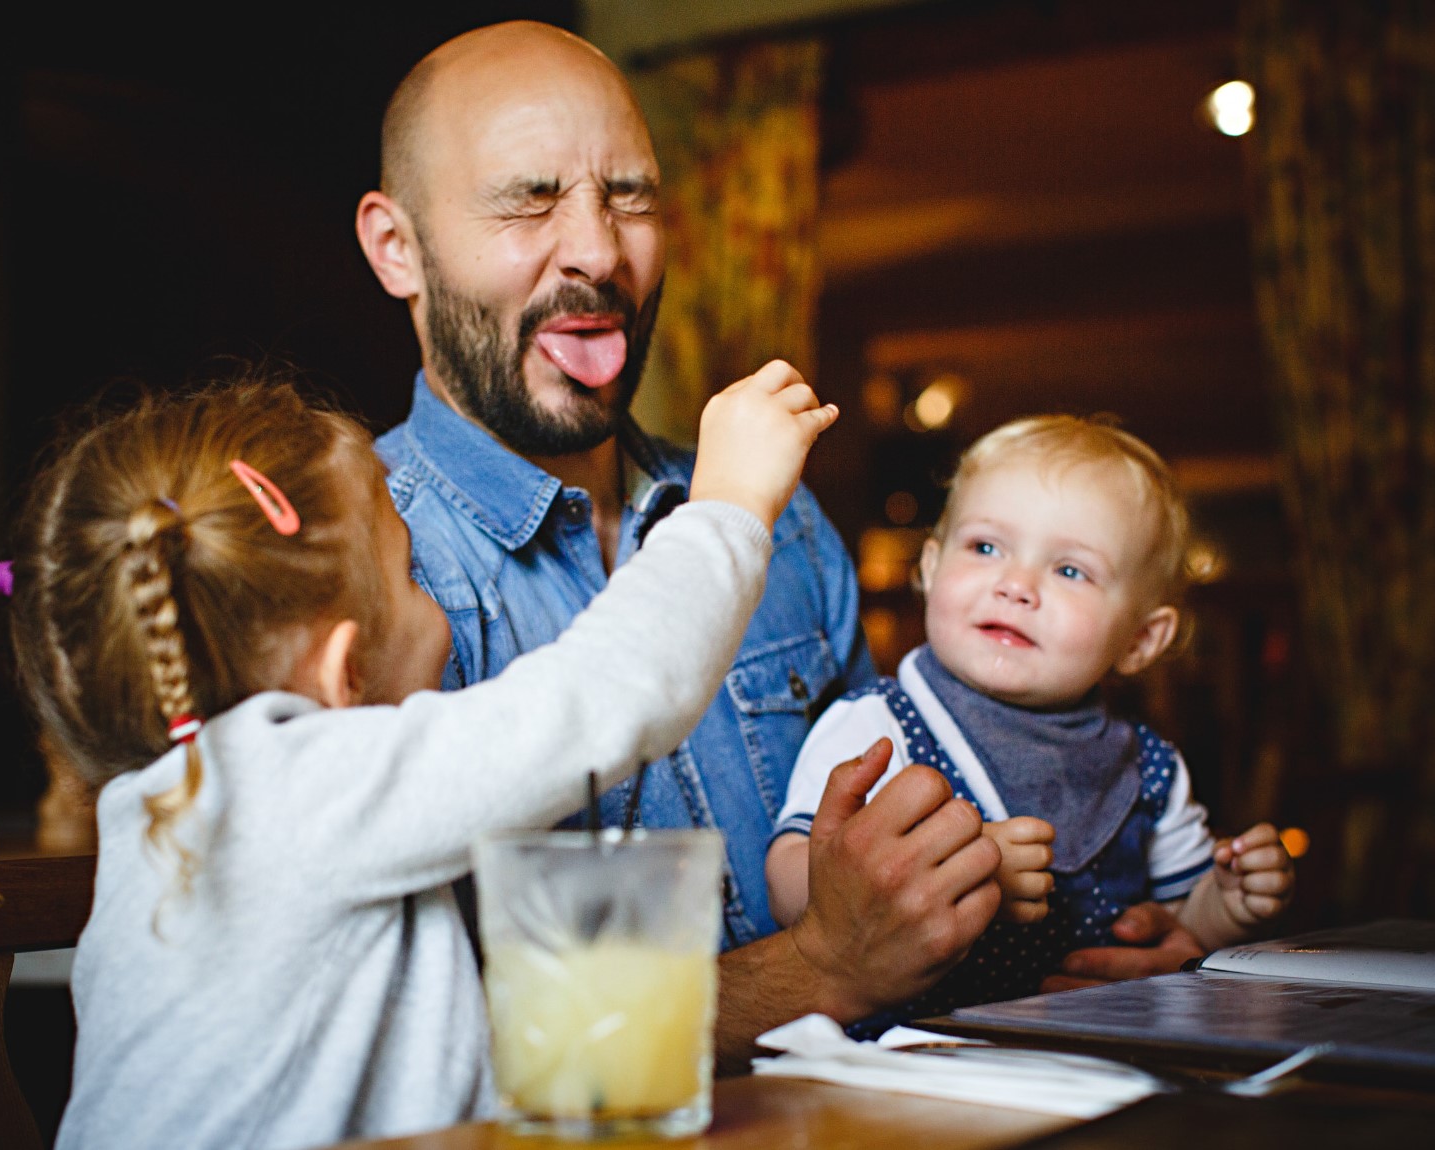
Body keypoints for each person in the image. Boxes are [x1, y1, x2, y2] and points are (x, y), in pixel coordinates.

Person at [0, 364, 836, 1145]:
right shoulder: (293, 791)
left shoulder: (177, 815)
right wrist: (726, 506)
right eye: (413, 578)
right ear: (342, 673)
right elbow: (605, 696)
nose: (435, 607)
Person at [356, 20, 1005, 1067]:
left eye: (630, 195)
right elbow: (406, 1041)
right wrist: (821, 968)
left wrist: (1078, 924)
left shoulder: (782, 522)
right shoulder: (355, 568)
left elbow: (892, 887)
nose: (601, 252)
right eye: (530, 198)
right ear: (399, 247)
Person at [766, 415, 1297, 1031]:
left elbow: (1175, 924)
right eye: (986, 547)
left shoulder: (1146, 769)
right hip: (908, 1071)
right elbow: (786, 886)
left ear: (1142, 640)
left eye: (1070, 570)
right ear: (931, 569)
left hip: (1096, 1067)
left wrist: (1228, 906)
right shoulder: (877, 726)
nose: (1016, 585)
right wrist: (959, 868)